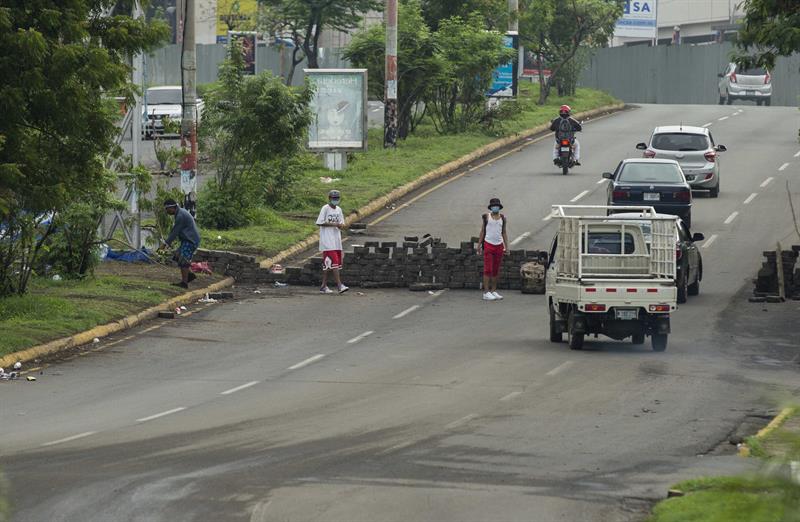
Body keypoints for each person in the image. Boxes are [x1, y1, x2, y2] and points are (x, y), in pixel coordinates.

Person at [160, 198, 201, 289]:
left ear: (172, 207)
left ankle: (184, 283)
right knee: (177, 256)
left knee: (183, 261)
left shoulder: (180, 216)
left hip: (191, 240)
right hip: (187, 239)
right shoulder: (180, 212)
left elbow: (175, 232)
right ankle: (189, 275)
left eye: (167, 209)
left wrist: (165, 244)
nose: (166, 211)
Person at [316, 190, 349, 294]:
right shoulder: (325, 208)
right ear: (329, 199)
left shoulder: (339, 210)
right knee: (334, 263)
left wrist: (340, 226)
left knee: (329, 264)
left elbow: (342, 223)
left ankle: (323, 286)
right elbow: (320, 222)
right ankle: (340, 286)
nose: (335, 200)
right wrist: (334, 224)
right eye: (334, 199)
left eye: (337, 199)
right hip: (327, 241)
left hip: (336, 241)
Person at [477, 198, 509, 301]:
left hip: (499, 245)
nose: (495, 207)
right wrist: (479, 245)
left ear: (499, 207)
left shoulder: (503, 218)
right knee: (488, 269)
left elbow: (504, 232)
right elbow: (483, 231)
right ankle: (486, 292)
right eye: (493, 206)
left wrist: (506, 246)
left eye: (497, 206)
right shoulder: (486, 217)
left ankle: (493, 290)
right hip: (488, 244)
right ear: (491, 207)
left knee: (496, 269)